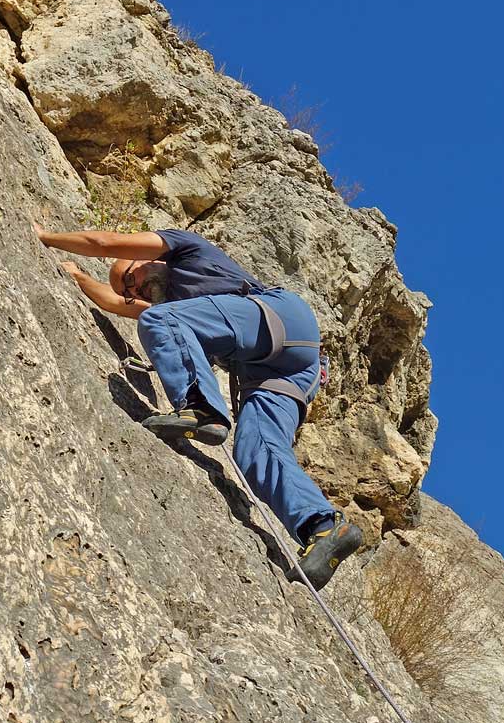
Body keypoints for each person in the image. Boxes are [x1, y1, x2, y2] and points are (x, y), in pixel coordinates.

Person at [33, 223, 363, 590]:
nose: (136, 291)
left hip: (275, 314)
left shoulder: (184, 248)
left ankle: (200, 407)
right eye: (130, 293)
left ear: (145, 257)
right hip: (289, 369)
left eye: (131, 278)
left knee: (161, 319)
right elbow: (114, 304)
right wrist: (78, 276)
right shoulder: (179, 309)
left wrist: (45, 237)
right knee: (255, 450)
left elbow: (103, 242)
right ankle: (324, 528)